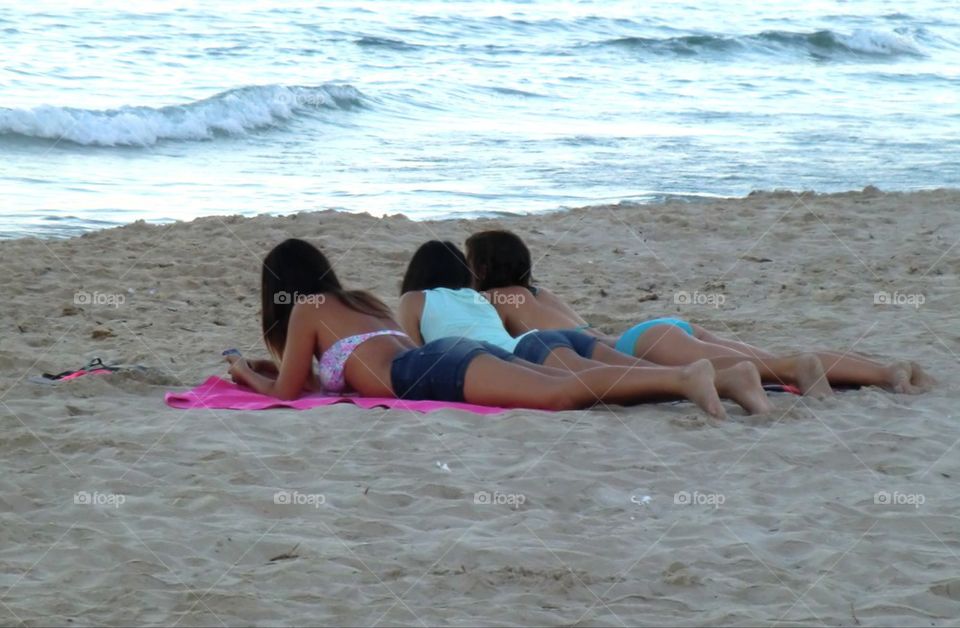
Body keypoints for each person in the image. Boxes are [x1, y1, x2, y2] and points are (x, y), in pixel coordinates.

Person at [225, 238, 731, 417]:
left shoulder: (307, 307)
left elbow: (290, 395)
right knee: (564, 389)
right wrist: (272, 367)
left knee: (561, 395)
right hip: (443, 356)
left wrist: (248, 375)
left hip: (427, 369)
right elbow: (323, 380)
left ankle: (683, 379)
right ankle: (691, 382)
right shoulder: (360, 303)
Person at [464, 229, 935, 396]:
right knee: (767, 356)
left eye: (471, 264)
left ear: (485, 268)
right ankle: (883, 372)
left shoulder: (498, 300)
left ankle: (801, 368)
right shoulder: (542, 293)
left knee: (773, 367)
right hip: (659, 328)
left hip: (633, 344)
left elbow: (485, 340)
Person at [397, 240, 773, 414]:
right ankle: (727, 378)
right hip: (553, 339)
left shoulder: (413, 299)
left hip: (518, 353)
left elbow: (410, 353)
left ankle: (715, 381)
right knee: (627, 372)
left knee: (600, 383)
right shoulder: (478, 298)